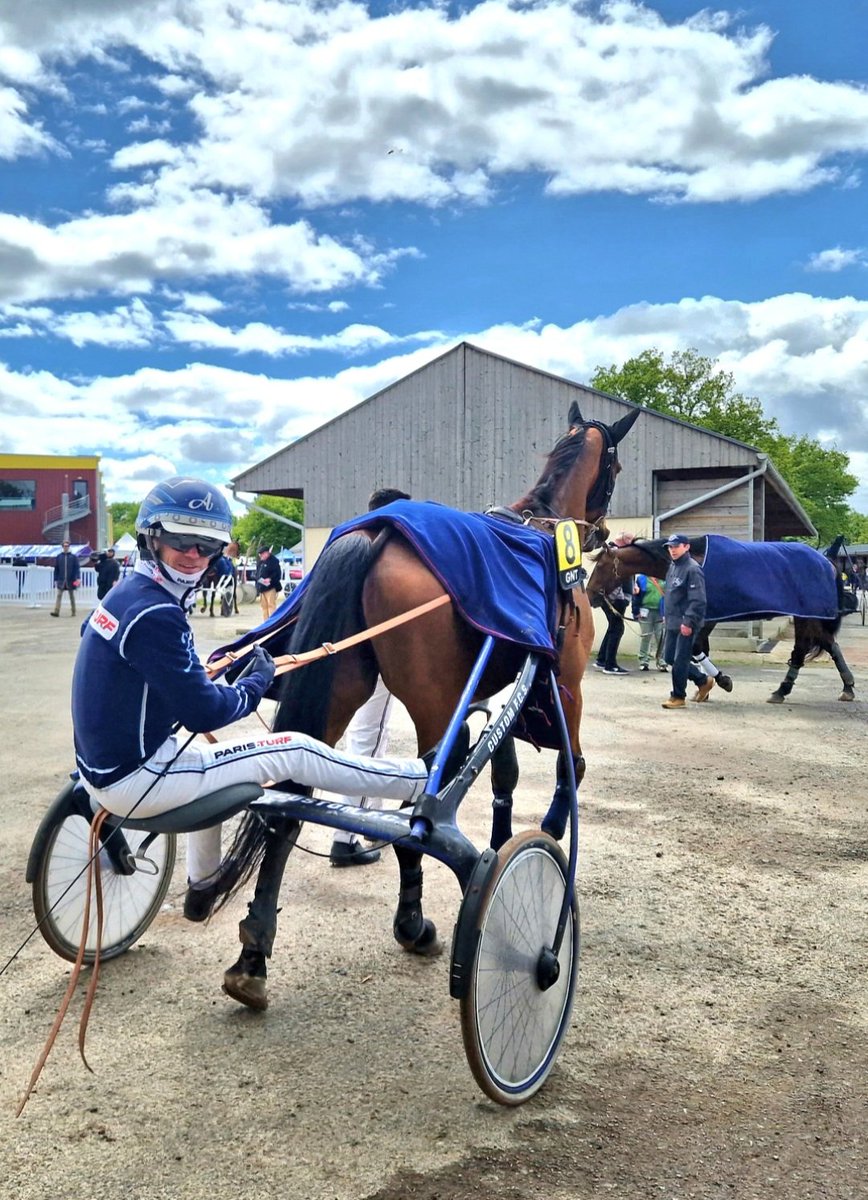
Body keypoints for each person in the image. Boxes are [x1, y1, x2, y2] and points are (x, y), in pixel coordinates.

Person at [70, 477, 432, 943]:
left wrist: (199, 673)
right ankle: (418, 780)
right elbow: (205, 713)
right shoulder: (160, 613)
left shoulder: (126, 595)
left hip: (99, 770)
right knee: (294, 748)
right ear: (151, 536)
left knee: (208, 762)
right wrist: (254, 683)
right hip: (138, 780)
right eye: (181, 540)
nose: (194, 555)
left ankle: (202, 886)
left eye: (208, 545)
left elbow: (133, 673)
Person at [329, 486, 411, 867]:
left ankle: (366, 825)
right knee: (369, 740)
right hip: (372, 658)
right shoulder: (384, 553)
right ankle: (349, 835)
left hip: (340, 654)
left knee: (363, 739)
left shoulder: (349, 541)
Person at [660, 533, 714, 709]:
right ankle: (702, 680)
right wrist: (665, 614)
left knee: (681, 660)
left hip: (686, 624)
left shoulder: (692, 569)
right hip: (672, 622)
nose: (672, 550)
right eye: (670, 547)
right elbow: (670, 594)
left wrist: (688, 622)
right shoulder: (672, 567)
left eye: (676, 546)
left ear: (686, 547)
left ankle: (678, 696)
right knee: (669, 657)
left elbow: (698, 600)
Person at [632, 570, 667, 671]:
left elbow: (669, 597)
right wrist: (635, 611)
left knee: (660, 637)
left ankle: (661, 661)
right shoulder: (642, 579)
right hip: (645, 611)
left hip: (660, 612)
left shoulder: (665, 580)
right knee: (646, 636)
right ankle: (644, 660)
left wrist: (667, 613)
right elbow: (636, 596)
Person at [51, 539, 81, 617]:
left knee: (71, 596)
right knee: (59, 595)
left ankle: (73, 611)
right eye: (64, 546)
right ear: (62, 547)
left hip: (71, 580)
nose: (66, 547)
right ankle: (56, 611)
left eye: (67, 546)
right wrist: (55, 579)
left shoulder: (73, 557)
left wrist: (77, 578)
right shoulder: (59, 557)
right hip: (61, 580)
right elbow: (56, 569)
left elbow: (77, 568)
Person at [254, 544, 282, 620]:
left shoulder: (274, 561)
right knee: (264, 606)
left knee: (271, 605)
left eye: (262, 554)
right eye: (260, 554)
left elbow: (277, 574)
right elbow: (257, 573)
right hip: (261, 587)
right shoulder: (260, 563)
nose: (261, 556)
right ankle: (265, 622)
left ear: (267, 553)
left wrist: (270, 579)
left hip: (270, 587)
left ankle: (273, 622)